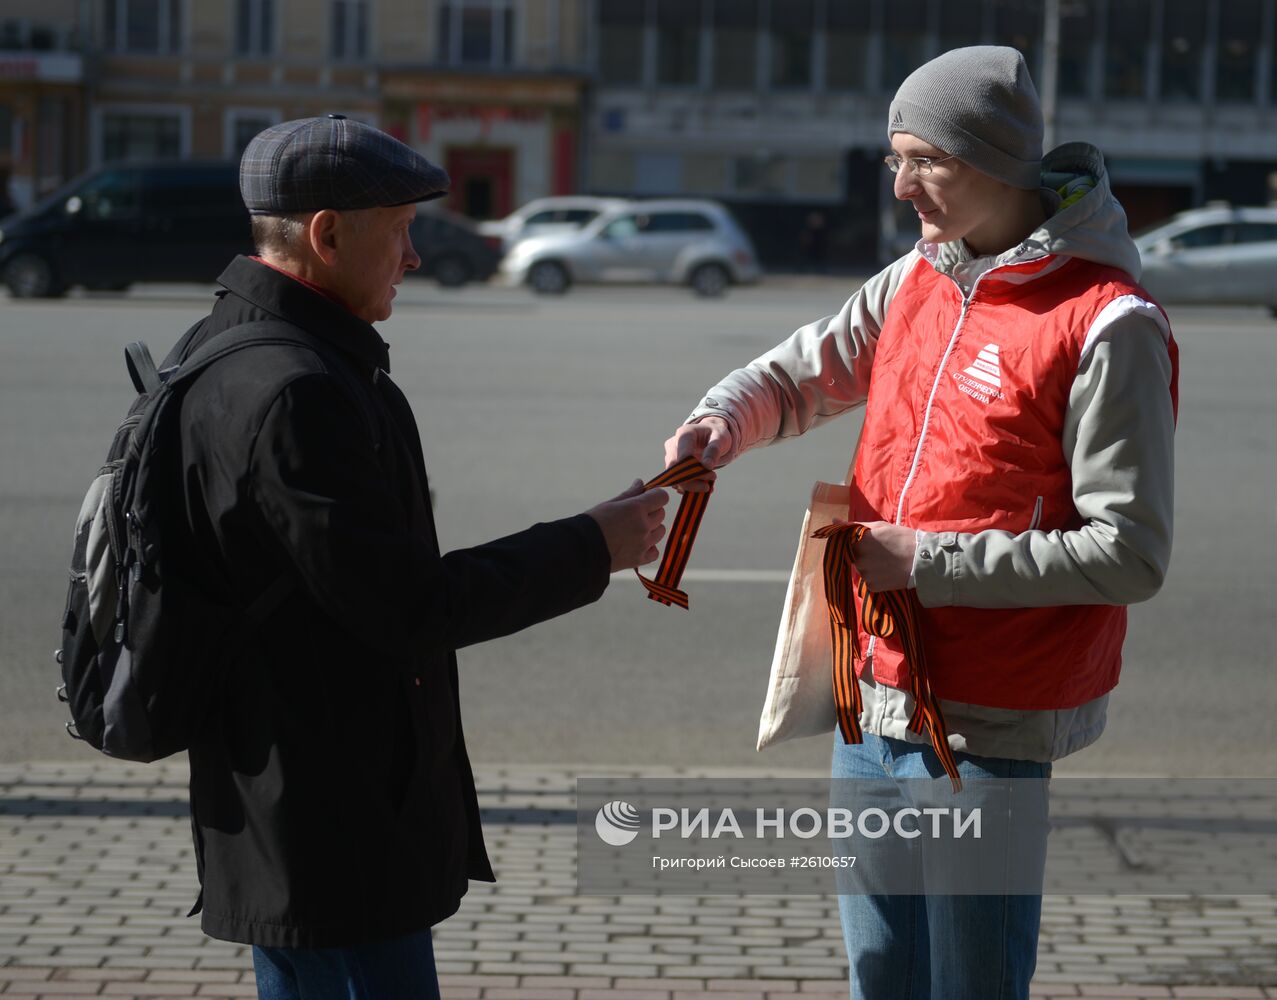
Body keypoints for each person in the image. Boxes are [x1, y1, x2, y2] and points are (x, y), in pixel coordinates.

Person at [665, 47, 1178, 999]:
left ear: (997, 162)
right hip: (870, 697)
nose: (900, 187)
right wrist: (721, 420)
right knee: (881, 978)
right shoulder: (918, 276)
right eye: (894, 160)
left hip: (986, 722)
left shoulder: (1108, 324)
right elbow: (802, 373)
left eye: (924, 162)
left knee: (969, 985)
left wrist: (928, 561)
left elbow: (1128, 554)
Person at [162, 115, 668, 999]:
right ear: (327, 235)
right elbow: (406, 606)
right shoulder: (296, 393)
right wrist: (592, 546)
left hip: (282, 798)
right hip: (334, 821)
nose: (414, 255)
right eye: (398, 230)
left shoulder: (227, 344)